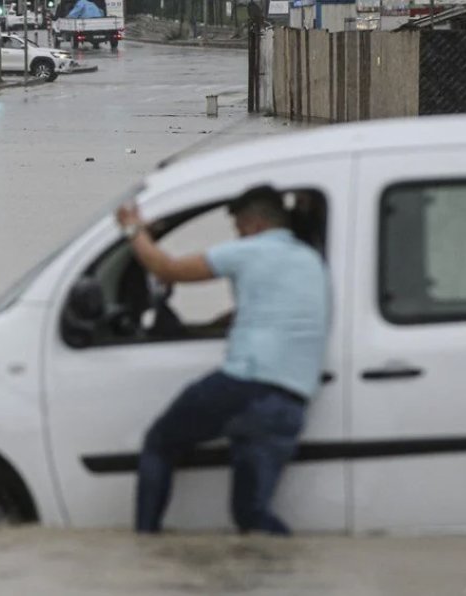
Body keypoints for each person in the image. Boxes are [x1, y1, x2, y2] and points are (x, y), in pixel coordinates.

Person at [115, 185, 330, 536]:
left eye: (238, 228)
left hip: (245, 386)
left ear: (254, 224)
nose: (237, 236)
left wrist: (132, 229)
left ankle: (146, 545)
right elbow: (274, 311)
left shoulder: (249, 251)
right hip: (290, 401)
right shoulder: (311, 261)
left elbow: (166, 268)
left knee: (159, 443)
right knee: (251, 515)